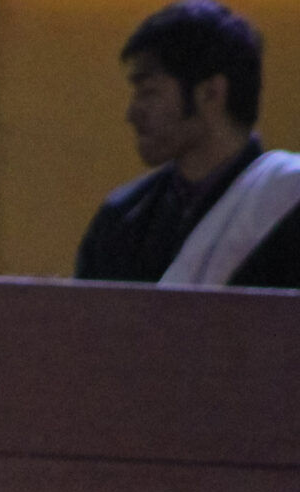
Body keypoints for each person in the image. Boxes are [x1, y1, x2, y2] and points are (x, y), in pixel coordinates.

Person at [76, 2, 300, 289]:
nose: (132, 114)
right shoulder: (120, 222)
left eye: (149, 92)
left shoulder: (290, 206)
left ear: (211, 94)